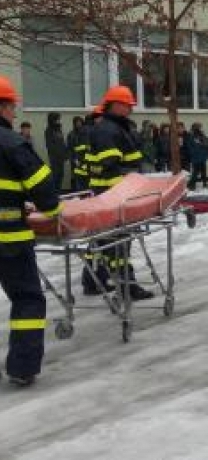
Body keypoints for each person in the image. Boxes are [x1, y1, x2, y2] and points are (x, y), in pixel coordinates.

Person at [0, 76, 63, 387]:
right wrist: (54, 213)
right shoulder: (12, 143)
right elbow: (41, 184)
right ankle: (22, 367)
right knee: (27, 299)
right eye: (11, 106)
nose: (14, 112)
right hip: (8, 239)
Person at [85, 85, 153, 300]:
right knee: (117, 245)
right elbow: (111, 167)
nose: (131, 109)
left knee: (108, 243)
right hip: (114, 195)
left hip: (115, 194)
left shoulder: (115, 127)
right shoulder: (108, 130)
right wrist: (135, 181)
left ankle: (98, 281)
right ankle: (126, 287)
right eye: (127, 105)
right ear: (115, 105)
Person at [44, 112, 68, 193]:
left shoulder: (59, 130)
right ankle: (54, 193)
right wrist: (57, 155)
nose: (58, 120)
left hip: (61, 158)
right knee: (55, 176)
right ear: (52, 120)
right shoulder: (49, 131)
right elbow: (50, 146)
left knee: (61, 175)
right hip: (54, 159)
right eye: (57, 119)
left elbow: (62, 143)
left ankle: (59, 192)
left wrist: (65, 154)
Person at [187, 123, 208, 190]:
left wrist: (207, 154)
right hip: (196, 157)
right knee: (196, 172)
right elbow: (190, 147)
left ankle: (205, 184)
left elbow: (207, 145)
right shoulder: (191, 136)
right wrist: (194, 153)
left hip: (202, 157)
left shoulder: (202, 136)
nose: (201, 128)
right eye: (200, 127)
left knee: (203, 171)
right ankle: (191, 185)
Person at [66, 116, 85, 190]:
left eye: (80, 122)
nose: (78, 124)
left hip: (85, 158)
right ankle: (75, 192)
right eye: (77, 122)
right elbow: (69, 148)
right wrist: (73, 159)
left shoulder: (86, 133)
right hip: (75, 158)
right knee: (75, 176)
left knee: (84, 177)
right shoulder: (71, 134)